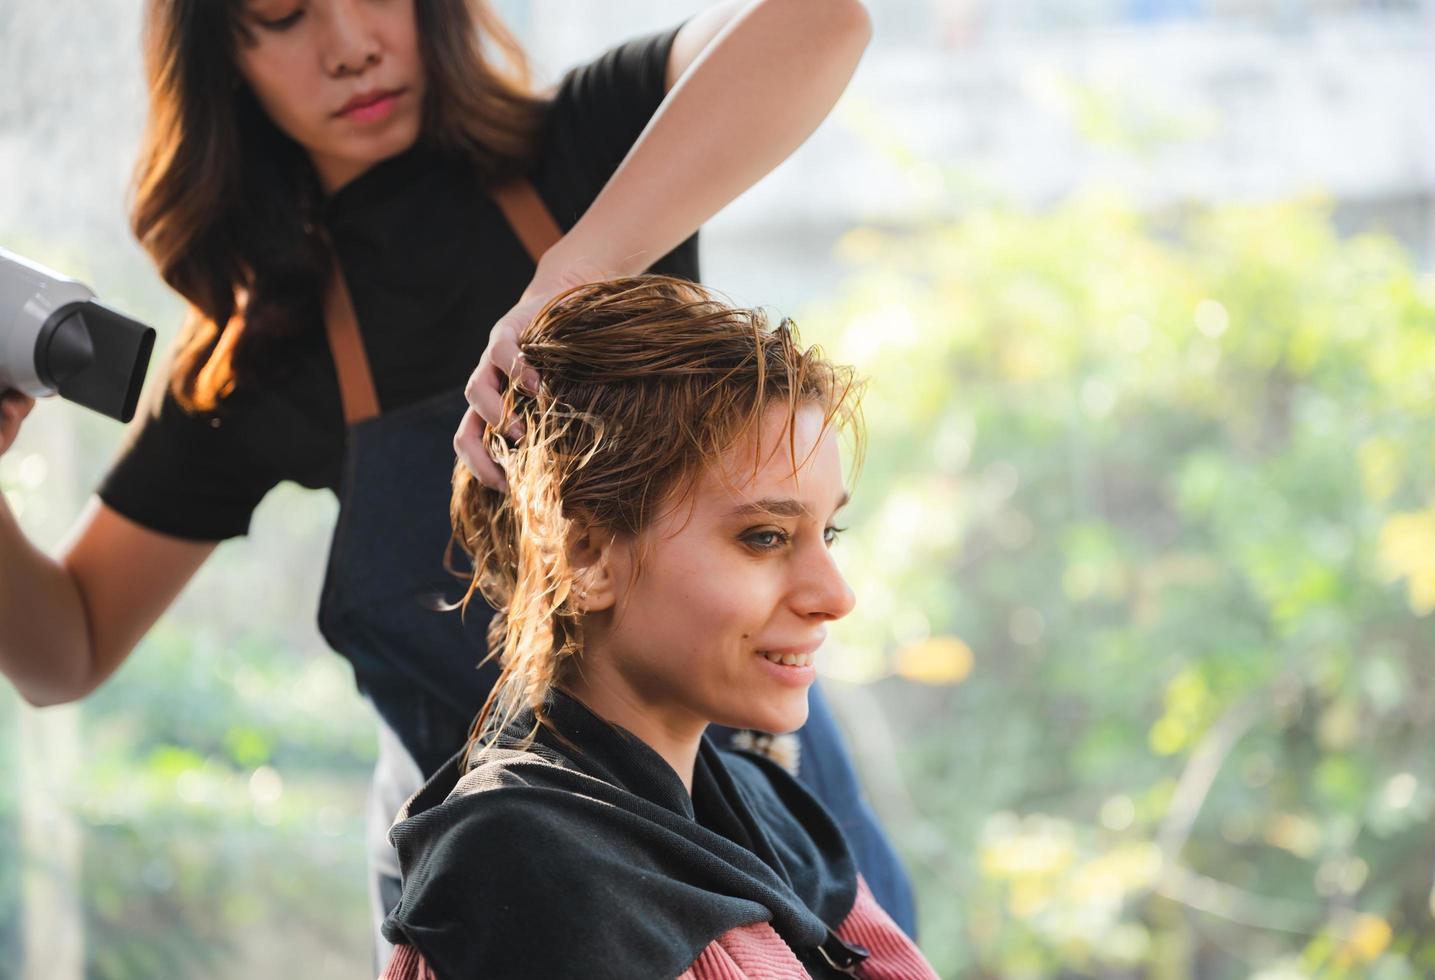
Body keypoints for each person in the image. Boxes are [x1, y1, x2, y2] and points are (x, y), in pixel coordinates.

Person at [0, 0, 916, 962]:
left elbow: (822, 21)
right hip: (521, 903)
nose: (351, 45)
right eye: (283, 13)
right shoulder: (269, 350)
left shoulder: (586, 151)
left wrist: (584, 266)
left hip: (766, 833)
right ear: (222, 51)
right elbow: (67, 646)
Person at [379, 275, 938, 980]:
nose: (834, 595)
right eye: (764, 537)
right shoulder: (522, 864)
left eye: (830, 531)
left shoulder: (769, 812)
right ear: (583, 554)